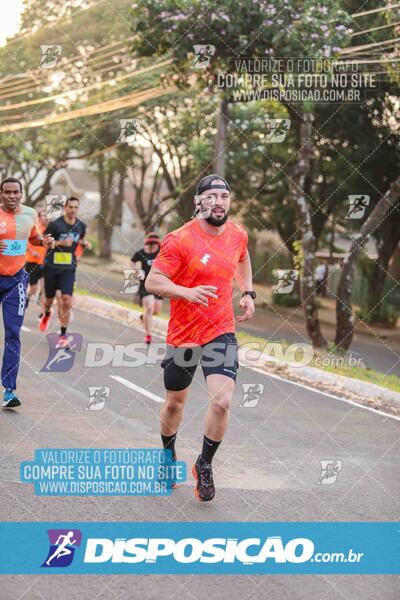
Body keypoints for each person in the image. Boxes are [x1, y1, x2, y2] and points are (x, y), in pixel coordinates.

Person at [146, 174, 255, 502]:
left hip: (220, 330)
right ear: (199, 202)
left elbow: (243, 256)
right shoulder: (179, 239)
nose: (219, 201)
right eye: (212, 196)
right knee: (174, 403)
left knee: (222, 402)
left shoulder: (237, 234)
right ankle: (167, 454)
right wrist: (186, 292)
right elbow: (153, 281)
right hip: (184, 335)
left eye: (225, 195)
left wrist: (247, 291)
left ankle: (204, 463)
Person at [0, 177, 55, 407]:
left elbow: (33, 236)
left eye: (16, 192)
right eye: (7, 192)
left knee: (13, 334)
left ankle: (9, 390)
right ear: (1, 194)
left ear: (21, 194)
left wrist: (45, 241)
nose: (12, 196)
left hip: (16, 280)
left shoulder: (30, 214)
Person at [39, 196, 91, 348]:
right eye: (70, 207)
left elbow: (79, 239)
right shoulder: (55, 225)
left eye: (76, 207)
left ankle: (62, 336)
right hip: (52, 268)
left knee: (66, 300)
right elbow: (45, 243)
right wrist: (60, 242)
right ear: (65, 208)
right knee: (49, 300)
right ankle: (47, 312)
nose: (73, 210)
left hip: (68, 269)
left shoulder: (81, 225)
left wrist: (84, 243)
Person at [131, 232, 163, 345]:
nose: (154, 246)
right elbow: (132, 261)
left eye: (156, 244)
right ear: (148, 244)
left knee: (156, 310)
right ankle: (148, 336)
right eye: (152, 244)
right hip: (145, 284)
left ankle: (143, 317)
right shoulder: (141, 252)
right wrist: (137, 271)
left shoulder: (161, 252)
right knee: (149, 308)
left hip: (159, 284)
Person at [25, 209, 49, 313]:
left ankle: (43, 309)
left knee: (45, 287)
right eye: (43, 215)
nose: (46, 218)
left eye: (47, 216)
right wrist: (32, 251)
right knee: (33, 289)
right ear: (39, 217)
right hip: (32, 261)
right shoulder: (34, 228)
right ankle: (28, 296)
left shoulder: (50, 230)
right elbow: (25, 241)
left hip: (44, 263)